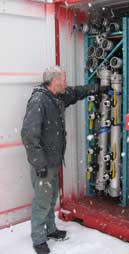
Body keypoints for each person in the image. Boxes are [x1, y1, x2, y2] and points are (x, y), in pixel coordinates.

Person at [21, 66, 105, 254]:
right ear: (55, 81)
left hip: (53, 160)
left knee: (51, 199)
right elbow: (29, 135)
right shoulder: (39, 100)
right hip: (43, 164)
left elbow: (75, 93)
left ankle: (50, 230)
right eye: (64, 79)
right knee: (42, 201)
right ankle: (38, 239)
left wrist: (95, 88)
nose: (66, 83)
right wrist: (39, 164)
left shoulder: (56, 97)